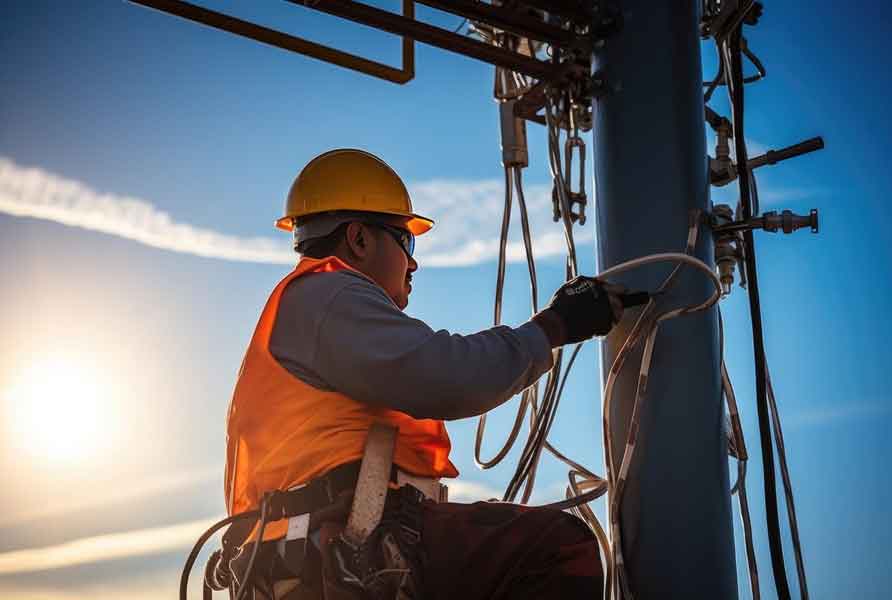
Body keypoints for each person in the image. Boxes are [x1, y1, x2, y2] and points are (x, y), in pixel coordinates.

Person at [221, 148, 624, 600]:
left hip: (317, 551)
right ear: (358, 238)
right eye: (405, 241)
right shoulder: (326, 295)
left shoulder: (313, 311)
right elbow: (449, 377)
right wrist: (557, 325)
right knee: (557, 547)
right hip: (342, 544)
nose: (413, 263)